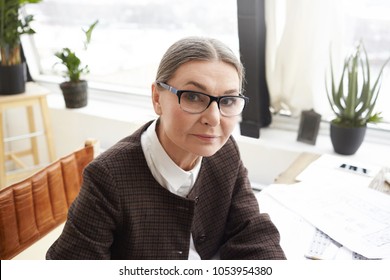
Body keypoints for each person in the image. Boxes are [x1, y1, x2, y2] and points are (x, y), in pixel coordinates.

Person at [46, 36, 286, 260]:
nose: (214, 118)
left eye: (228, 100)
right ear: (157, 99)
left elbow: (250, 229)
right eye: (193, 97)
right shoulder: (108, 177)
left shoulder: (225, 151)